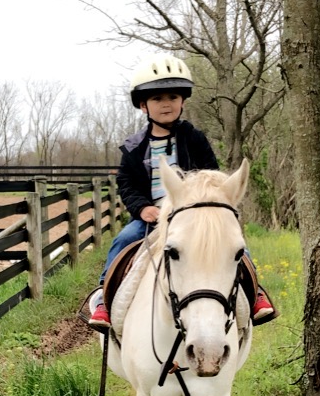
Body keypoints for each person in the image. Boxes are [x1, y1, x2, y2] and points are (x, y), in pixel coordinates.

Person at [88, 54, 276, 330]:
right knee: (123, 240)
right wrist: (141, 207)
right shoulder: (134, 147)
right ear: (143, 105)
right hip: (150, 216)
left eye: (172, 97)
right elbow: (126, 182)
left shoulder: (194, 139)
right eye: (157, 98)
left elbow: (212, 174)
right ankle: (106, 296)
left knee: (235, 244)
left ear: (182, 101)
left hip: (192, 214)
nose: (166, 104)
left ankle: (255, 291)